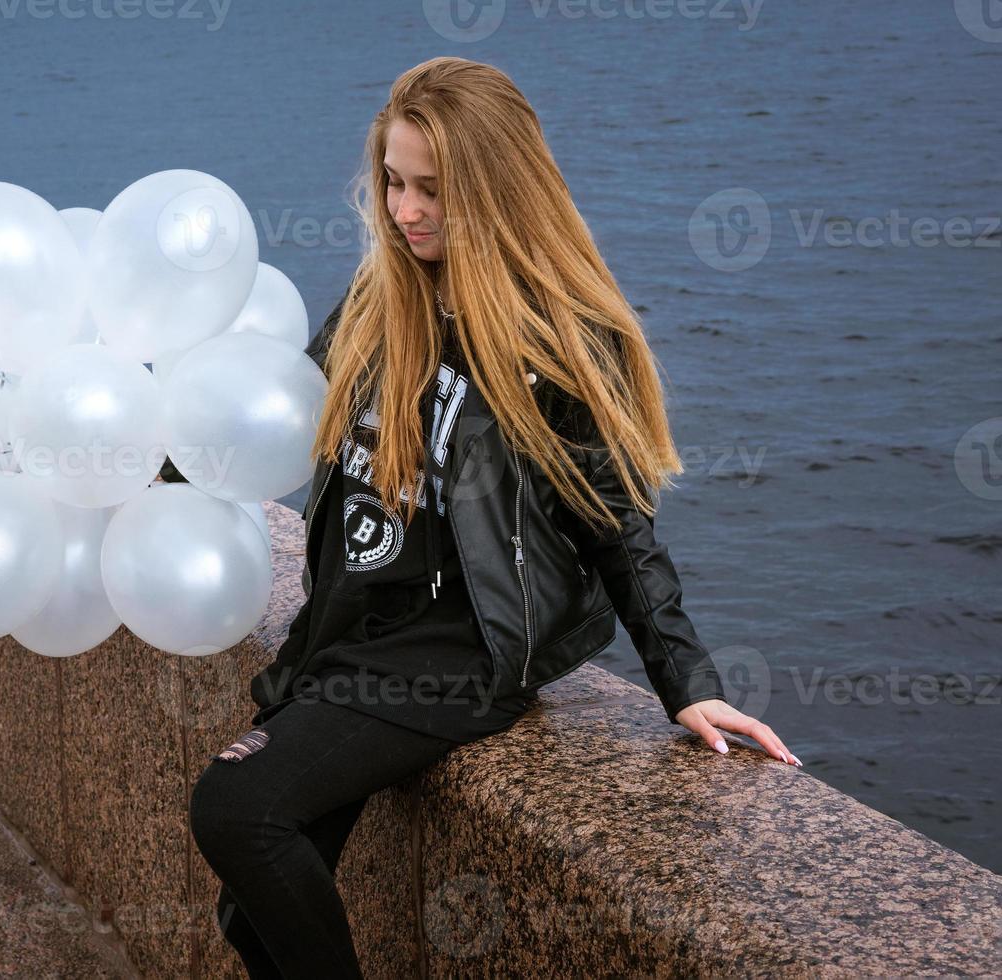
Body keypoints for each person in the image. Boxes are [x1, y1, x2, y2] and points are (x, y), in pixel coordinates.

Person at [180, 56, 800, 979]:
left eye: (434, 189)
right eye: (393, 182)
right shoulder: (374, 300)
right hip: (348, 631)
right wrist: (158, 464)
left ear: (497, 189)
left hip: (452, 655)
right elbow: (279, 417)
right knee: (249, 913)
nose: (405, 209)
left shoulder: (551, 336)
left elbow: (616, 523)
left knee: (236, 807)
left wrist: (686, 678)